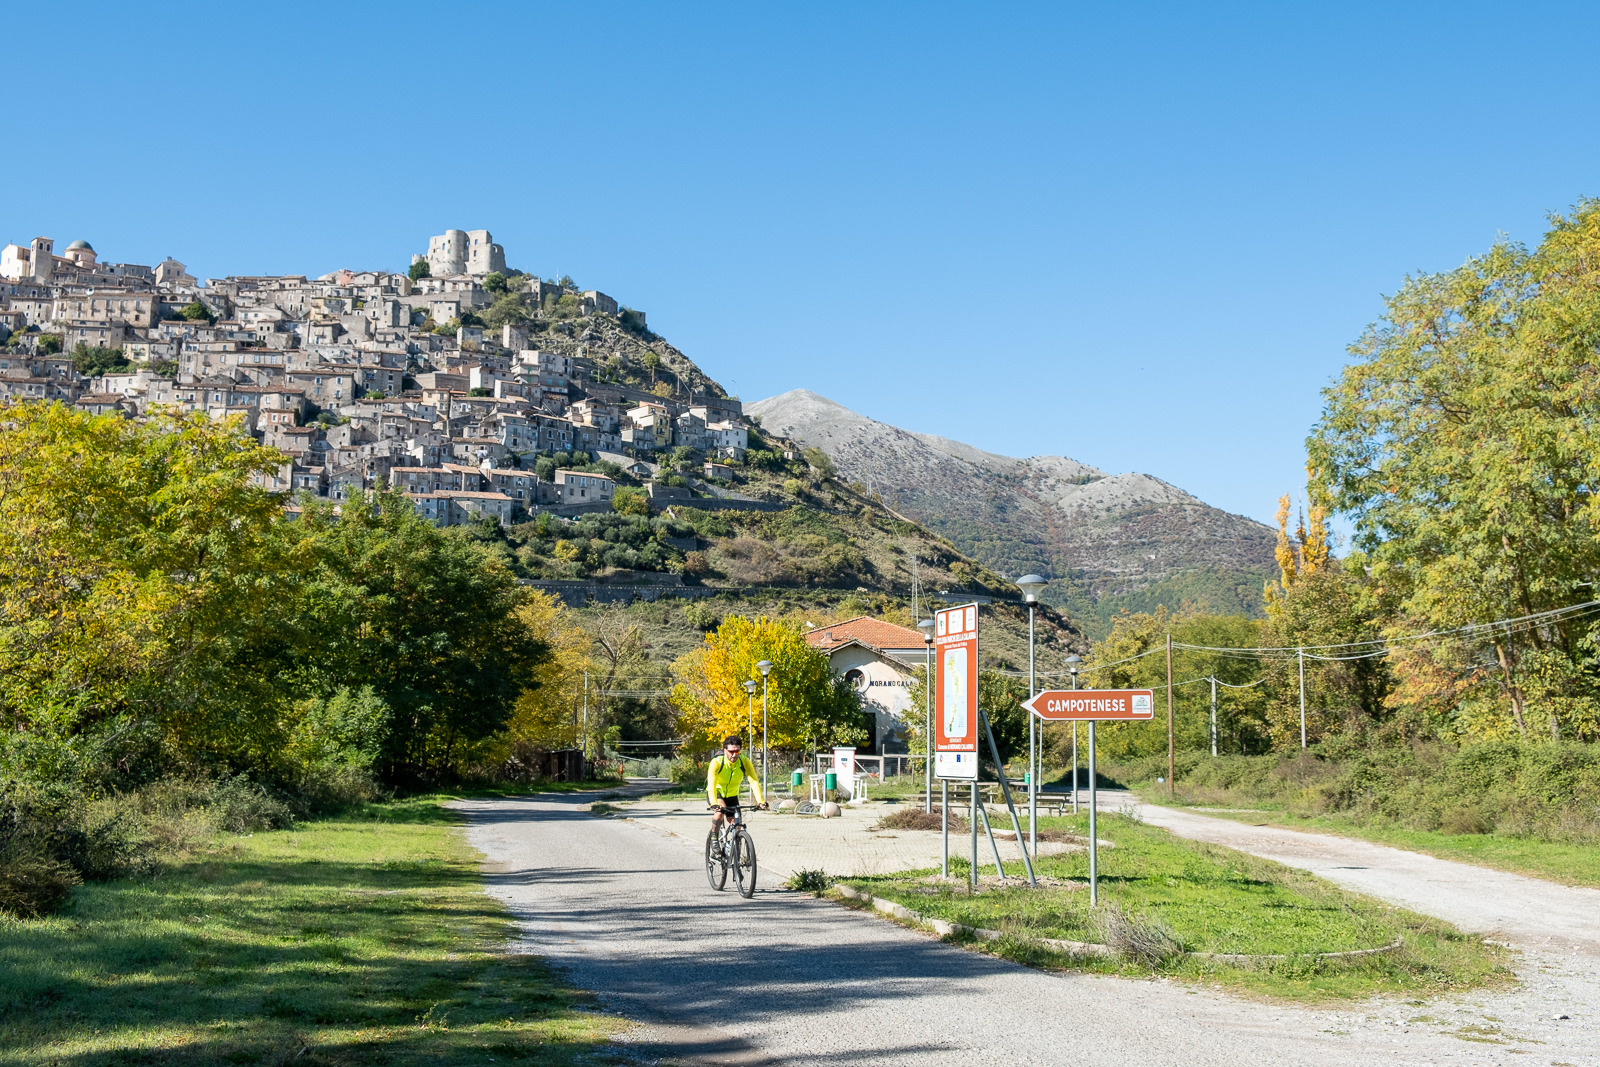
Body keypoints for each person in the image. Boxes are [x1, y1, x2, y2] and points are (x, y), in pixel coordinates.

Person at [707, 734, 766, 842]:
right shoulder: (717, 762)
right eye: (731, 751)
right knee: (720, 814)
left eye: (737, 751)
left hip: (732, 795)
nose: (734, 755)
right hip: (717, 793)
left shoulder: (744, 761)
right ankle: (714, 838)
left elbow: (753, 780)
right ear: (725, 750)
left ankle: (736, 850)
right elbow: (711, 784)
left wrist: (760, 801)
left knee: (737, 824)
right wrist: (713, 803)